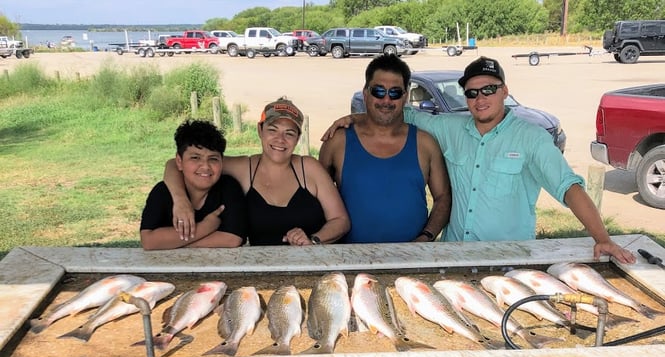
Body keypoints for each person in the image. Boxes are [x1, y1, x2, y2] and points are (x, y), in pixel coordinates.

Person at [323, 56, 635, 264]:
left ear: (504, 91)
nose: (480, 98)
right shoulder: (450, 127)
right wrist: (354, 117)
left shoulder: (531, 138)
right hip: (452, 257)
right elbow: (393, 109)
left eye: (489, 89)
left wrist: (602, 238)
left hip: (509, 259)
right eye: (471, 93)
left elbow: (570, 188)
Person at [165, 98, 350, 246]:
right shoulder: (245, 169)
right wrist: (180, 201)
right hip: (264, 269)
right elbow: (175, 165)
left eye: (289, 133)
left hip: (313, 264)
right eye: (272, 130)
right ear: (260, 130)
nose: (280, 140)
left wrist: (314, 239)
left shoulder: (308, 168)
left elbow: (340, 220)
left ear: (298, 138)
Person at [319, 54, 451, 243]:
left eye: (395, 92)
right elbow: (315, 196)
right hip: (349, 260)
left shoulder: (425, 143)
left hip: (410, 261)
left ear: (405, 97)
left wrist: (426, 237)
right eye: (378, 91)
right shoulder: (338, 141)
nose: (386, 100)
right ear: (365, 94)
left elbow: (443, 197)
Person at [140, 119, 248, 250]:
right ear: (179, 161)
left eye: (213, 159)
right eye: (195, 158)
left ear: (222, 161)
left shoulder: (228, 188)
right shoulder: (163, 192)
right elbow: (149, 241)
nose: (205, 166)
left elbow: (232, 239)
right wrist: (205, 227)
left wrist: (176, 244)